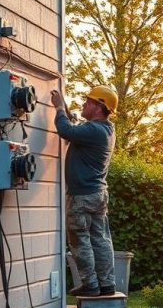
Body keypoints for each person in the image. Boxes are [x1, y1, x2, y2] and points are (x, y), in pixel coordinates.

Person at [50, 86, 119, 297]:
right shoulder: (106, 129)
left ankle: (90, 284)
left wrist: (60, 108)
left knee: (79, 239)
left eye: (88, 102)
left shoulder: (94, 131)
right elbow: (76, 130)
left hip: (81, 196)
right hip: (98, 194)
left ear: (99, 107)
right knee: (100, 238)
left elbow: (66, 131)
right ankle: (107, 284)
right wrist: (68, 112)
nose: (84, 104)